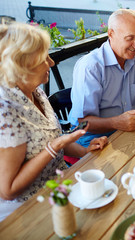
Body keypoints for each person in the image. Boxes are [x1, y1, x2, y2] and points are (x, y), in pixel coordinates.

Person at [0, 22, 108, 221]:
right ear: (22, 66)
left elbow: (53, 138)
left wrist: (85, 151)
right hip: (27, 214)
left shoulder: (36, 92)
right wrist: (56, 145)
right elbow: (8, 190)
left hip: (60, 191)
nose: (52, 63)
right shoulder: (5, 111)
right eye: (44, 58)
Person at [69, 9, 135, 147]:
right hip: (91, 140)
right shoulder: (90, 67)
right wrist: (116, 122)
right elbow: (82, 123)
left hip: (125, 132)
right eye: (130, 38)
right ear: (111, 33)